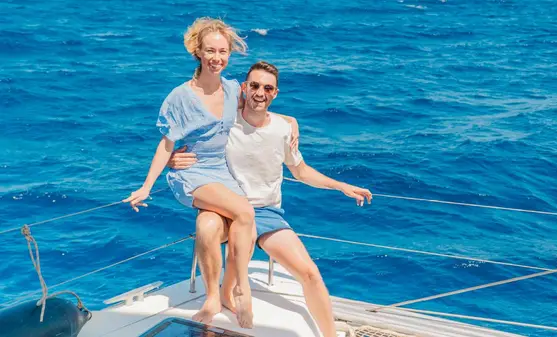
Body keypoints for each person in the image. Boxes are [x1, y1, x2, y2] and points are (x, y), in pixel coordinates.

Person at [168, 61, 373, 337]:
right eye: (254, 86)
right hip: (227, 207)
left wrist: (341, 186)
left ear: (275, 93)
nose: (260, 92)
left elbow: (300, 171)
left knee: (310, 273)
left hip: (267, 213)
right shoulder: (225, 123)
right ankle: (216, 297)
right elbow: (186, 143)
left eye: (267, 88)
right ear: (243, 88)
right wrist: (173, 159)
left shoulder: (283, 128)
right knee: (207, 226)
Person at [121, 18, 297, 329]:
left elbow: (258, 109)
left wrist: (290, 121)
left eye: (223, 51)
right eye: (210, 51)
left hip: (224, 172)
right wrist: (147, 186)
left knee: (208, 225)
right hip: (192, 172)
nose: (217, 58)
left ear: (229, 54)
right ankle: (242, 290)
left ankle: (215, 297)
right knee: (244, 211)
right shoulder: (180, 97)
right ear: (198, 52)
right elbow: (166, 146)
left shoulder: (233, 89)